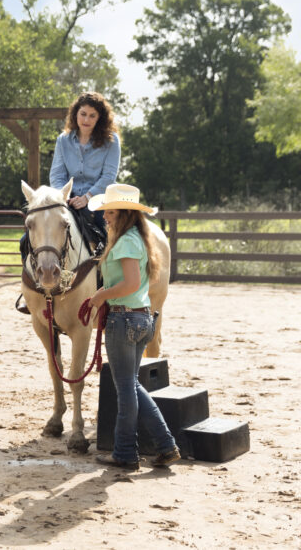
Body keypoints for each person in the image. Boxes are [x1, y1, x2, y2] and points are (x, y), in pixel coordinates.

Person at [88, 183, 180, 470]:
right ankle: (165, 445)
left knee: (126, 388)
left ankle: (126, 452)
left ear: (125, 214)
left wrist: (100, 295)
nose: (105, 218)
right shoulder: (139, 239)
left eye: (111, 213)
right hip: (140, 318)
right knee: (131, 385)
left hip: (124, 319)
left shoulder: (127, 242)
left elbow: (127, 283)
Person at [49, 91, 121, 243]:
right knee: (28, 239)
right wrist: (65, 198)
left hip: (100, 200)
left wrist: (87, 198)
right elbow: (57, 176)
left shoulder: (112, 140)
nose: (86, 119)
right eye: (83, 114)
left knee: (106, 237)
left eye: (92, 115)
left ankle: (107, 265)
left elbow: (108, 177)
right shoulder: (63, 140)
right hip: (68, 201)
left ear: (99, 118)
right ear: (75, 114)